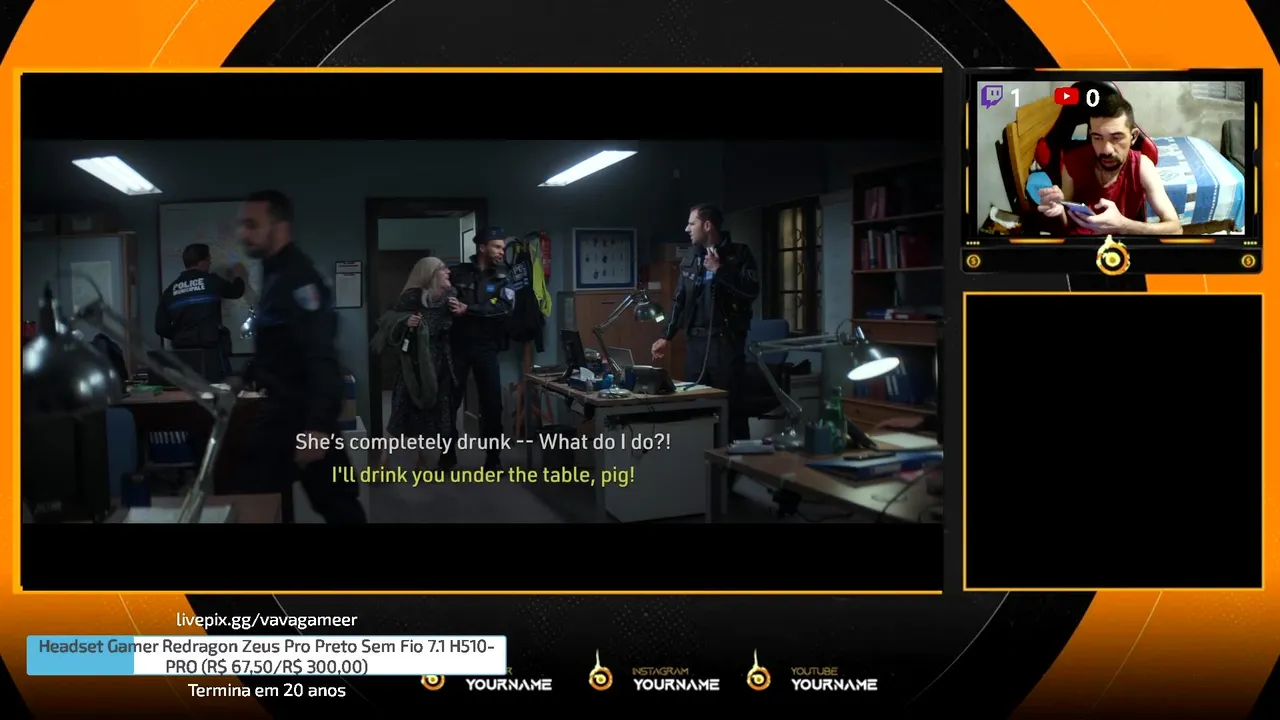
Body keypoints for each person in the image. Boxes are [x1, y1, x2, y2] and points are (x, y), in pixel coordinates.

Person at [232, 190, 366, 524]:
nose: (242, 233)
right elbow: (278, 346)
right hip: (279, 412)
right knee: (256, 494)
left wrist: (317, 428)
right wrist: (243, 376)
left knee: (338, 506)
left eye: (252, 225)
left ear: (279, 227)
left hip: (303, 415)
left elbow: (321, 356)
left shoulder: (300, 278)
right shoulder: (274, 273)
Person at [651, 203, 760, 443]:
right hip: (696, 344)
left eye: (692, 223)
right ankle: (699, 459)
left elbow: (751, 291)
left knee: (731, 409)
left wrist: (720, 271)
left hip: (726, 343)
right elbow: (679, 300)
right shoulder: (691, 258)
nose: (687, 229)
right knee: (695, 405)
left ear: (707, 225)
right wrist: (665, 336)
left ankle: (736, 462)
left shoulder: (739, 254)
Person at [1036, 93, 1182, 236]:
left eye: (1116, 137)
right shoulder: (1073, 161)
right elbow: (1067, 219)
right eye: (1097, 137)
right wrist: (1058, 211)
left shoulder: (1142, 167)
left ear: (1133, 136)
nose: (1106, 150)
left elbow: (1176, 229)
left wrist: (1123, 225)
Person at [438, 227, 513, 472]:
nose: (501, 252)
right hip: (457, 346)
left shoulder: (504, 276)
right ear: (482, 247)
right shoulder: (458, 273)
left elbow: (504, 308)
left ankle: (493, 459)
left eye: (503, 248)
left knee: (492, 404)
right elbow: (443, 300)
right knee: (449, 402)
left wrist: (468, 309)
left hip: (486, 347)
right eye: (497, 247)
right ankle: (447, 455)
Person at [377, 256, 459, 471]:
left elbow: (456, 325)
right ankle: (384, 459)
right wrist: (405, 321)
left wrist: (460, 309)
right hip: (414, 363)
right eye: (443, 269)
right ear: (431, 273)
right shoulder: (411, 297)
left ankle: (421, 460)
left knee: (429, 414)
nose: (448, 272)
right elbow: (389, 320)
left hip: (440, 362)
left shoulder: (451, 295)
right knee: (399, 411)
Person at [155, 243, 248, 381]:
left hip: (182, 354)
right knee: (218, 388)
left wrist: (182, 334)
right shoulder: (212, 281)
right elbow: (236, 292)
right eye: (209, 259)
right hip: (211, 353)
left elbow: (160, 327)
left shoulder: (170, 291)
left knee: (187, 389)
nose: (210, 263)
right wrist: (239, 276)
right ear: (202, 262)